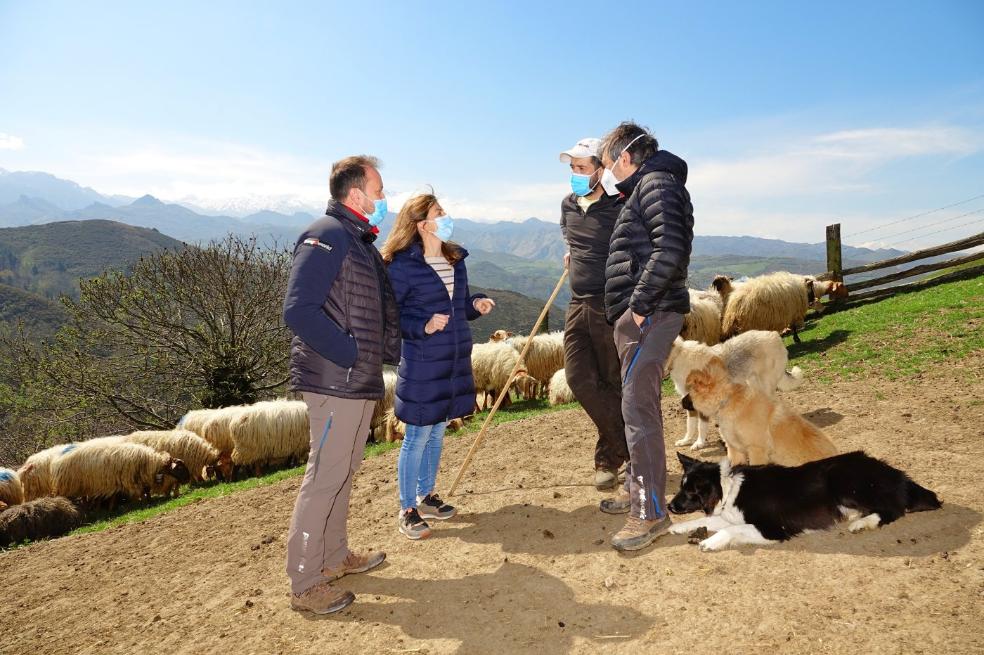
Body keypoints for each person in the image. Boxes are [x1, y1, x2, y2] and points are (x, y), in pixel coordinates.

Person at [282, 155, 401, 614]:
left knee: (344, 470)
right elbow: (298, 310)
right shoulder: (326, 236)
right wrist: (351, 351)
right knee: (324, 477)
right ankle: (305, 583)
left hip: (355, 382)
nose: (384, 199)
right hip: (335, 380)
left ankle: (333, 557)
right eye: (379, 190)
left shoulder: (358, 242)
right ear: (356, 195)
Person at [598, 122, 694, 552]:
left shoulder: (656, 184)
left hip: (649, 315)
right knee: (635, 406)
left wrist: (637, 308)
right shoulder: (648, 186)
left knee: (639, 411)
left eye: (606, 165)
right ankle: (641, 492)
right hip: (645, 315)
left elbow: (669, 248)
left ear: (624, 157)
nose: (606, 174)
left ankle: (651, 511)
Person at [381, 192, 494, 540]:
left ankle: (426, 497)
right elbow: (391, 317)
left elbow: (460, 304)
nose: (446, 217)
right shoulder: (399, 266)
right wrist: (423, 326)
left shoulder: (454, 258)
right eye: (438, 212)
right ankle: (407, 508)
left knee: (439, 430)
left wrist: (477, 304)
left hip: (454, 358)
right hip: (422, 361)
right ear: (421, 223)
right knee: (416, 434)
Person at [557, 138, 629, 490]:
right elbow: (567, 233)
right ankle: (628, 448)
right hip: (576, 303)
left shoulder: (619, 206)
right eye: (572, 167)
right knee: (578, 379)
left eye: (582, 167)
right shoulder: (568, 205)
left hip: (608, 305)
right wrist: (570, 250)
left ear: (600, 170)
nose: (575, 174)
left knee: (611, 382)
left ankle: (608, 459)